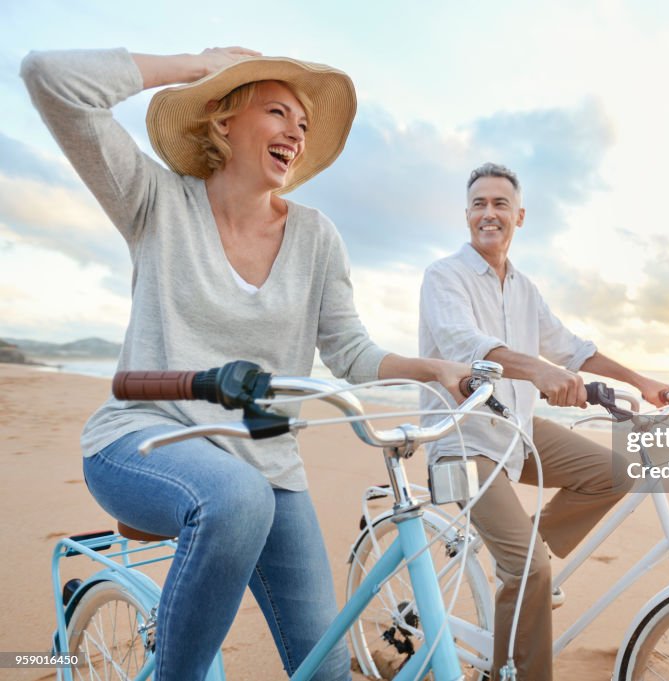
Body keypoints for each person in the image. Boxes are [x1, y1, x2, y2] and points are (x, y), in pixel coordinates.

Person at [21, 47, 467, 681]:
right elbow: (51, 80)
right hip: (143, 438)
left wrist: (434, 369)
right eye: (277, 112)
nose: (295, 132)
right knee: (236, 498)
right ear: (223, 122)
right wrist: (188, 66)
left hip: (268, 465)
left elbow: (349, 351)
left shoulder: (317, 236)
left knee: (326, 668)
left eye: (304, 125)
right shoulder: (155, 201)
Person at [418, 162, 669, 680]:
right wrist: (537, 370)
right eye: (478, 204)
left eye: (499, 204)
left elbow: (572, 349)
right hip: (461, 438)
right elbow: (465, 347)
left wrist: (642, 383)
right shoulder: (443, 276)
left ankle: (524, 558)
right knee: (530, 569)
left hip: (514, 428)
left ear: (519, 215)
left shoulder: (524, 287)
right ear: (467, 215)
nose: (488, 213)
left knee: (614, 473)